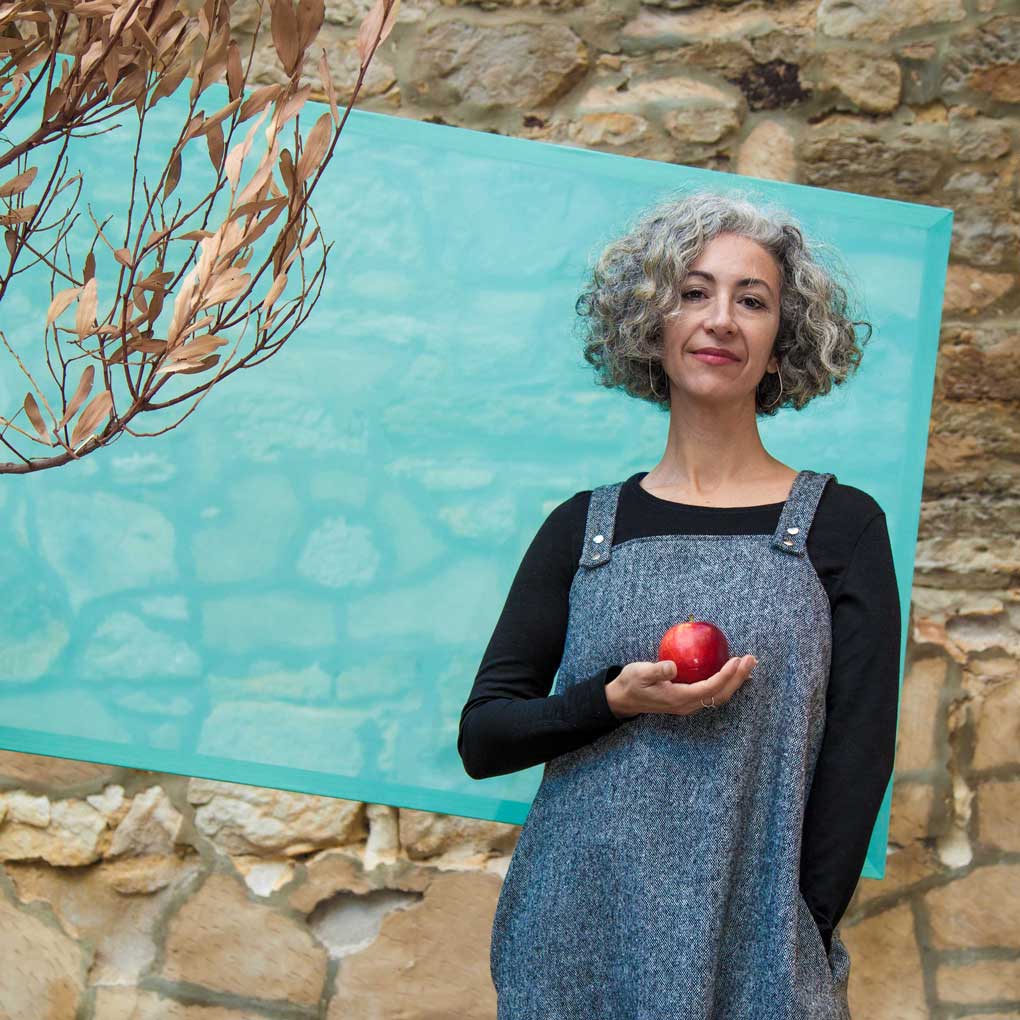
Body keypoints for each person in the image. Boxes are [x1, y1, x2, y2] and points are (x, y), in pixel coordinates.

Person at [457, 188, 901, 1019]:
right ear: (651, 330)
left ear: (782, 346)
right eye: (693, 293)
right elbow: (484, 736)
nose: (721, 319)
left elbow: (858, 757)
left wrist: (802, 925)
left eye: (753, 299)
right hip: (576, 937)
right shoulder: (583, 529)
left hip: (757, 944)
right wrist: (611, 699)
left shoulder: (842, 528)